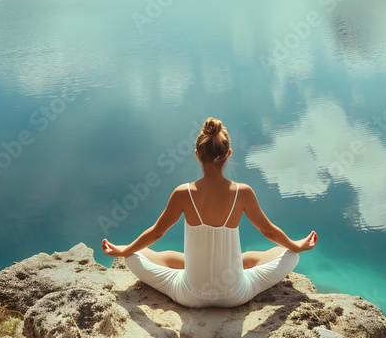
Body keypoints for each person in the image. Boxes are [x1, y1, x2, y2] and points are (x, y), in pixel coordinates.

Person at [102, 117, 317, 308]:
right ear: (228, 154)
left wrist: (123, 251)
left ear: (197, 154)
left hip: (190, 295)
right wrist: (296, 245)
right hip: (235, 295)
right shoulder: (242, 192)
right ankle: (245, 262)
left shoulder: (183, 193)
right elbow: (268, 231)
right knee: (290, 254)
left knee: (133, 256)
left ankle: (132, 252)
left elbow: (157, 233)